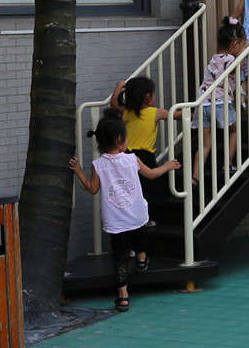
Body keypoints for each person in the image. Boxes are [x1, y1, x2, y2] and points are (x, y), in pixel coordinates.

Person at [67, 112, 180, 311]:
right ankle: (142, 258)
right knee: (143, 235)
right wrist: (168, 166)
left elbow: (92, 188)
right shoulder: (132, 159)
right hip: (137, 214)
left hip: (116, 221)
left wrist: (78, 171)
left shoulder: (98, 165)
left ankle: (123, 296)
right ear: (120, 141)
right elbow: (152, 174)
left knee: (120, 257)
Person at [112, 74, 168, 257]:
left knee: (129, 196)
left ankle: (130, 242)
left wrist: (119, 86)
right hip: (144, 158)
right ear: (148, 97)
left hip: (126, 157)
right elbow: (179, 114)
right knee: (150, 192)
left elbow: (114, 103)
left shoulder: (125, 112)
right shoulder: (155, 112)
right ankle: (145, 222)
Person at [196, 18, 249, 180]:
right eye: (241, 44)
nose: (242, 47)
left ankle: (194, 177)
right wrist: (247, 49)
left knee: (205, 144)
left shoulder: (214, 59)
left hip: (203, 104)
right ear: (234, 44)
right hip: (220, 103)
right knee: (233, 131)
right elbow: (235, 67)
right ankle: (227, 164)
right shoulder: (230, 60)